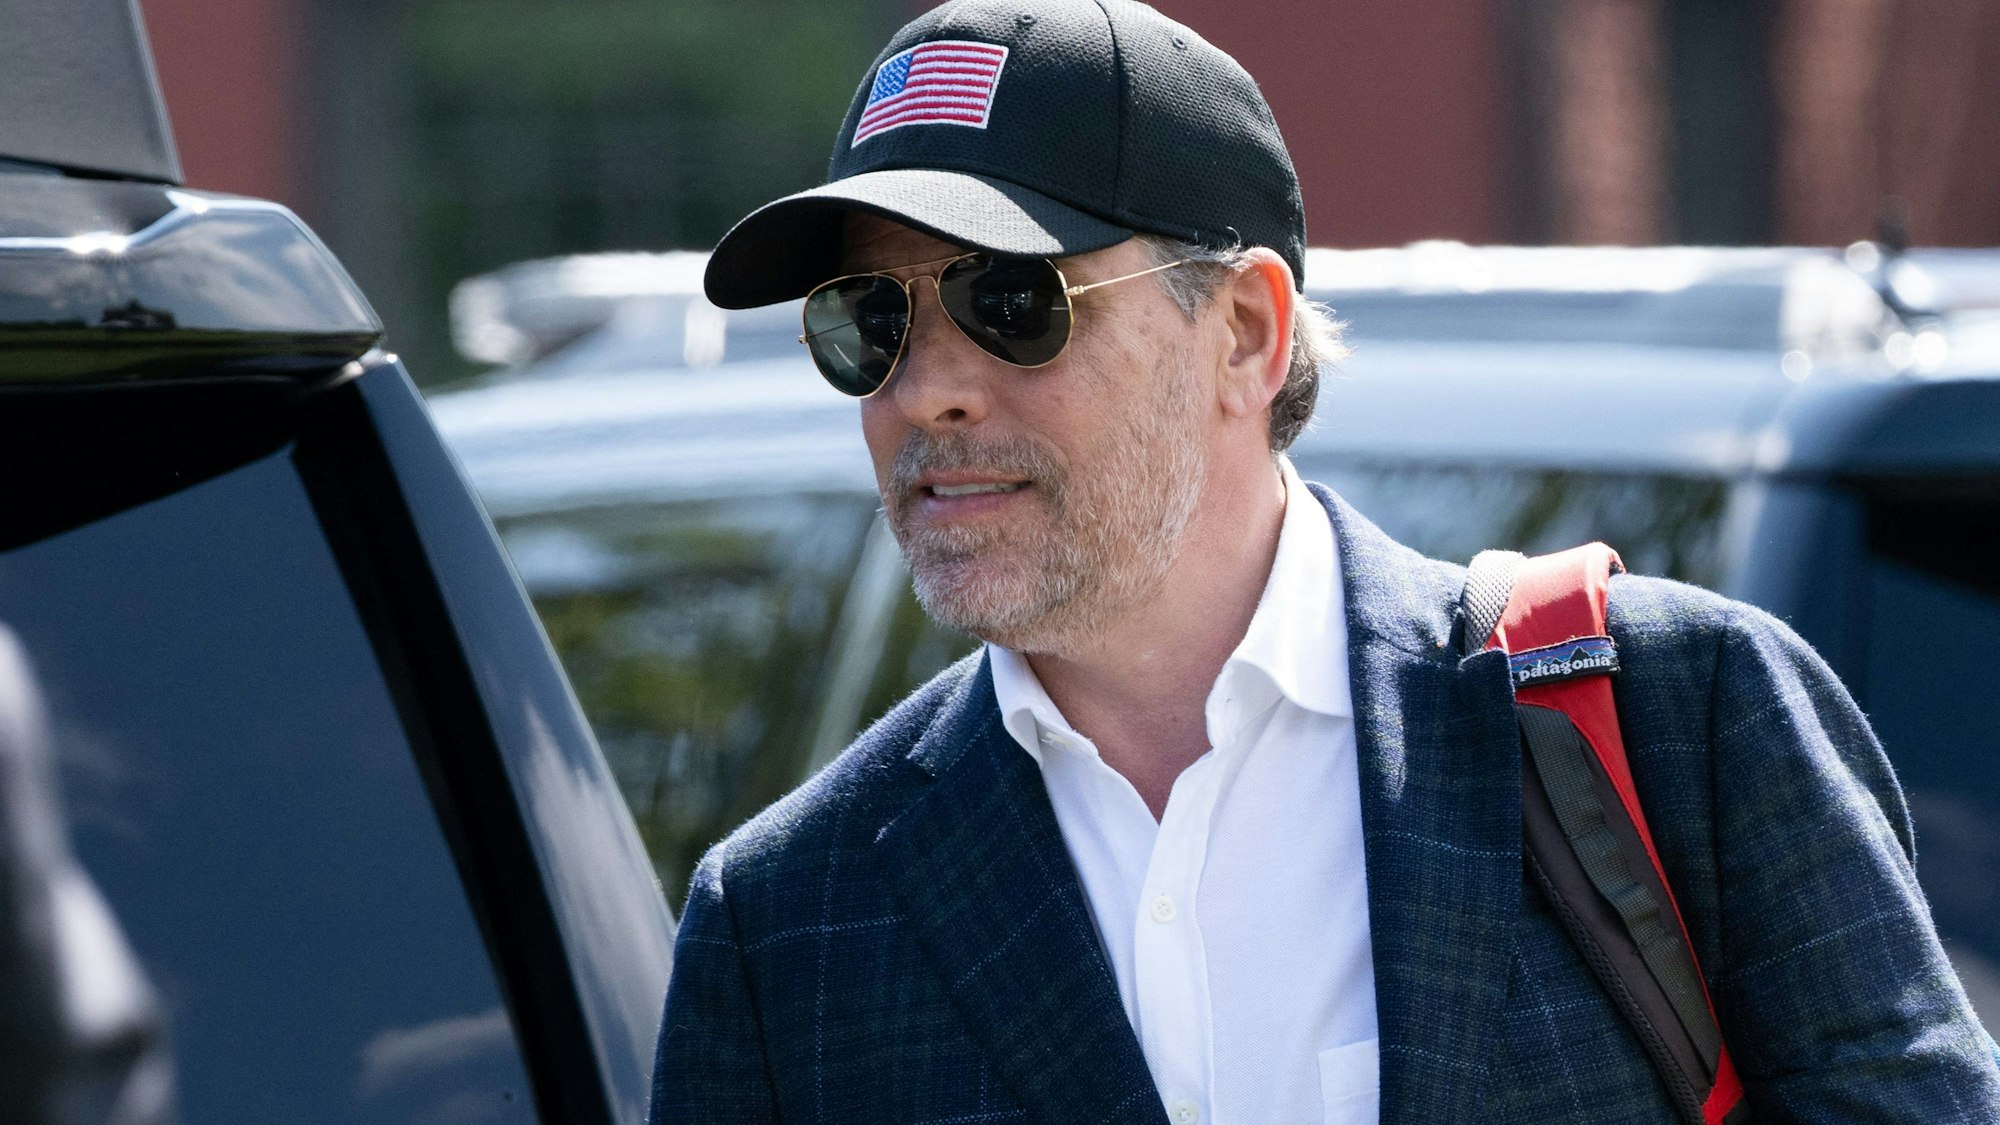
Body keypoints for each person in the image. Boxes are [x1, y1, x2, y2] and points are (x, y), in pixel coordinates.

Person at [651, 1, 2000, 1121]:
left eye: (1014, 301)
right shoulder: (784, 928)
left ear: (1242, 330)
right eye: (866, 322)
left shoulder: (1683, 720)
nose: (925, 392)